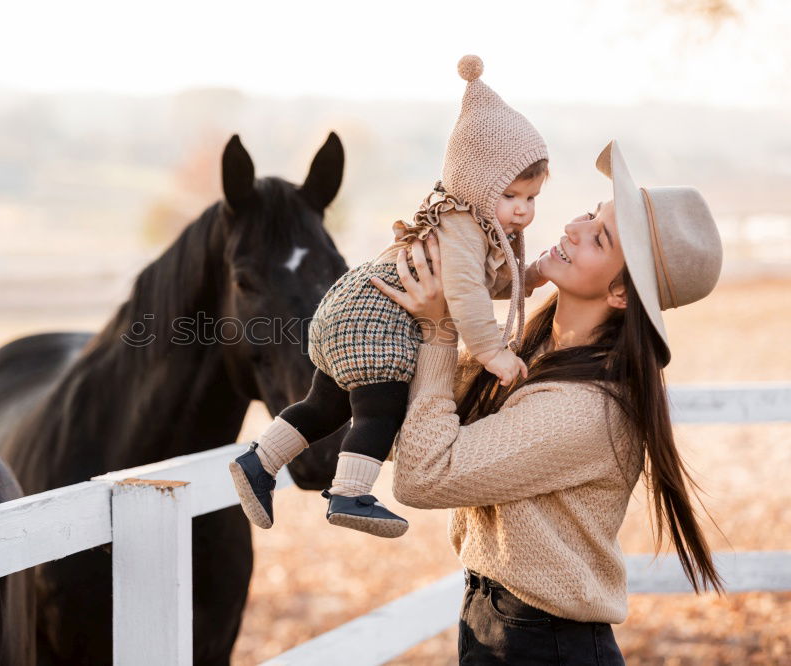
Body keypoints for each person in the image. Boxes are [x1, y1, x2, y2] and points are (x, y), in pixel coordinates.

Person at [371, 139, 726, 663]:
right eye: (589, 214)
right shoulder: (530, 351)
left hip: (544, 643)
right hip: (497, 621)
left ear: (621, 294)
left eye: (599, 238)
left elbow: (424, 474)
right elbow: (414, 427)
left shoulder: (586, 407)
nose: (572, 229)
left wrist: (441, 329)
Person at [230, 55, 548, 538]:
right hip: (377, 320)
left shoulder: (464, 223)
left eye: (531, 199)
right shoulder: (464, 225)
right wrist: (492, 352)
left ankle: (259, 461)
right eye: (512, 196)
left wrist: (531, 274)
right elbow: (463, 291)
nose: (523, 211)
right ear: (478, 184)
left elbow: (472, 284)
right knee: (381, 407)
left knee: (325, 406)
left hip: (349, 307)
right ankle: (349, 493)